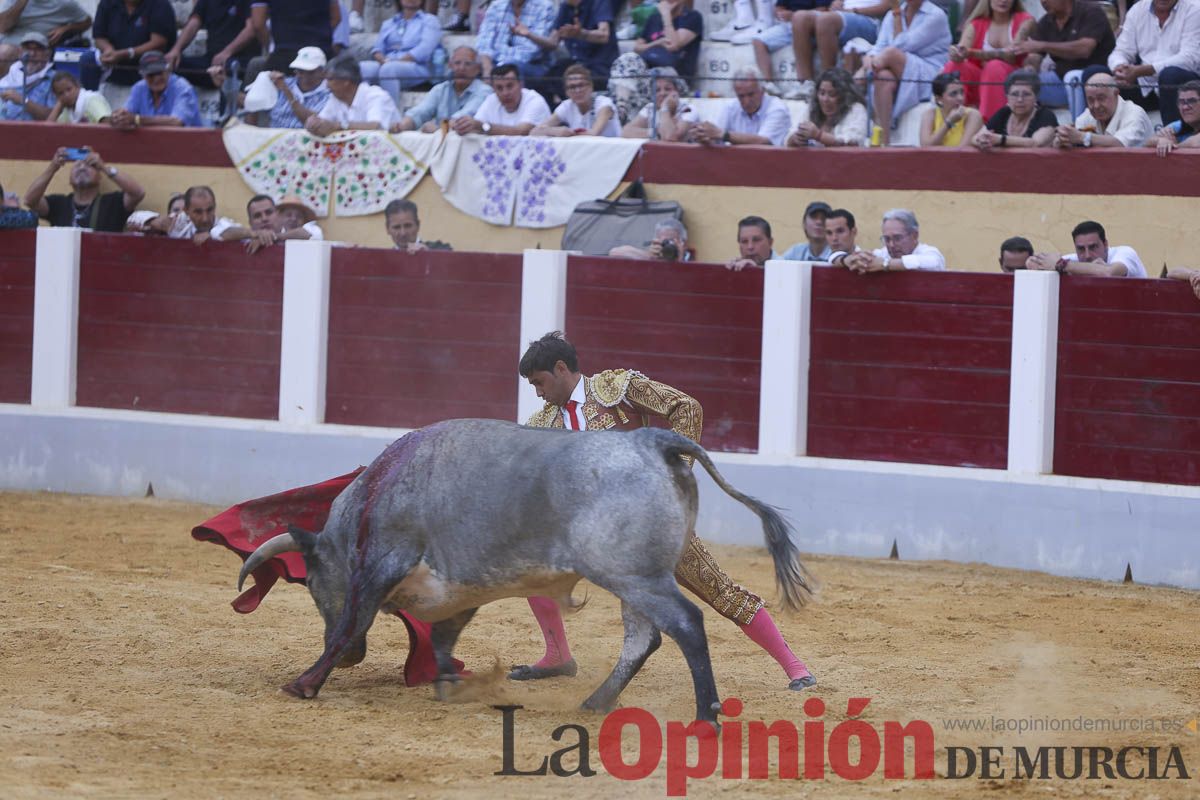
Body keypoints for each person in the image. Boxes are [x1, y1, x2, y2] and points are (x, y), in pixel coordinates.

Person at [512, 331, 818, 691]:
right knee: (532, 568)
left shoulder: (617, 389)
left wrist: (676, 474)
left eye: (539, 382)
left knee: (716, 589)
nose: (538, 392)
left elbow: (686, 408)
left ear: (561, 368)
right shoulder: (541, 423)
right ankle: (558, 655)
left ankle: (795, 667)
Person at [857, 0, 952, 146]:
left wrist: (896, 14)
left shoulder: (936, 16)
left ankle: (859, 80)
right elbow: (880, 46)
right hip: (896, 65)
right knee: (883, 77)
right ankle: (885, 140)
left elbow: (902, 45)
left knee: (891, 54)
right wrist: (870, 57)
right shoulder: (891, 15)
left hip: (929, 72)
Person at [1011, 0, 1115, 122]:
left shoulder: (1090, 12)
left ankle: (1081, 130)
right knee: (1018, 81)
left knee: (1072, 78)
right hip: (1059, 80)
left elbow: (1084, 49)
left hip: (1094, 79)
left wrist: (1043, 45)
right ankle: (1021, 131)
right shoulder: (1047, 21)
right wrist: (1030, 68)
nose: (1043, 2)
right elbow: (1034, 55)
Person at [1107, 0, 1200, 126]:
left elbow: (1190, 59)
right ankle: (1101, 137)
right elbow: (1121, 51)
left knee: (1170, 74)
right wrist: (1120, 68)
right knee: (1097, 75)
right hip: (1144, 85)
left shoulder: (1194, 9)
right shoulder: (1137, 10)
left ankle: (1172, 136)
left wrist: (1144, 70)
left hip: (1183, 85)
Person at [942, 0, 1035, 120]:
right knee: (953, 66)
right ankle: (951, 119)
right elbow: (962, 49)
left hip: (1012, 80)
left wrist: (970, 53)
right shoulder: (975, 23)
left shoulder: (1026, 20)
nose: (1003, 1)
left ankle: (991, 125)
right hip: (980, 81)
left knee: (994, 67)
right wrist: (956, 53)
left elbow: (1011, 55)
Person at [23, 146, 144, 232]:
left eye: (89, 165)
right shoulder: (59, 203)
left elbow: (138, 193)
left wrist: (104, 167)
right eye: (77, 165)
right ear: (69, 179)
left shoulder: (113, 202)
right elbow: (29, 200)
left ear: (100, 176)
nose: (82, 167)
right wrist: (53, 167)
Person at [785, 0, 886, 100]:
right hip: (843, 14)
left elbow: (888, 5)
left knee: (826, 20)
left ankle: (828, 84)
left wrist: (854, 10)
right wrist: (836, 4)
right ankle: (804, 84)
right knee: (800, 17)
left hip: (871, 21)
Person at [359, 0, 442, 107]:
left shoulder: (430, 20)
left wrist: (396, 61)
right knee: (363, 68)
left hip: (417, 66)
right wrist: (382, 59)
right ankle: (361, 114)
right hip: (387, 62)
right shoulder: (389, 23)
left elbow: (424, 49)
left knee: (389, 69)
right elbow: (377, 49)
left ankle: (391, 117)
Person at [390, 46, 492, 133]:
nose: (461, 68)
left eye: (468, 64)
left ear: (477, 69)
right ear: (450, 66)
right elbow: (420, 112)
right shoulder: (441, 89)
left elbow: (464, 117)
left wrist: (439, 129)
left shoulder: (484, 91)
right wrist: (401, 126)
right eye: (457, 63)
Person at [81, 0, 177, 89]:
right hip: (115, 60)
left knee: (153, 60)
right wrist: (108, 49)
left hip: (147, 60)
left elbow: (158, 43)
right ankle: (91, 100)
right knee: (88, 59)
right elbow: (99, 37)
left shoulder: (160, 4)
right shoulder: (107, 3)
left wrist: (127, 53)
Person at [746, 0, 832, 98]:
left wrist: (793, 15)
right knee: (758, 40)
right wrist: (781, 14)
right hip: (789, 25)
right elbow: (779, 7)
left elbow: (823, 9)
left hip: (812, 24)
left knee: (800, 20)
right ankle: (768, 85)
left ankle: (806, 84)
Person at [1054, 67, 1153, 148]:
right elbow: (1073, 136)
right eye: (1091, 100)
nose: (1096, 106)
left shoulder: (1134, 113)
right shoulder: (1088, 114)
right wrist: (1063, 138)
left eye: (1101, 98)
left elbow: (1120, 144)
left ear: (1116, 94)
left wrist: (1083, 137)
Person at [164, 0, 257, 87]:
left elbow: (251, 29)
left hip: (238, 60)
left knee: (226, 69)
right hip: (211, 60)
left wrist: (227, 52)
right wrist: (176, 49)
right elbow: (194, 22)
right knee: (172, 65)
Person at [692, 66, 792, 147]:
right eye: (741, 96)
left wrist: (723, 135)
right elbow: (717, 140)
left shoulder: (777, 108)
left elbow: (764, 142)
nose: (746, 101)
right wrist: (706, 138)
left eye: (751, 94)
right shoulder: (731, 107)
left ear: (763, 90)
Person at [305, 55, 401, 136]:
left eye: (330, 79)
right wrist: (314, 123)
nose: (326, 85)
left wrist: (339, 126)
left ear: (346, 81)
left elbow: (376, 126)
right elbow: (324, 121)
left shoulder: (376, 96)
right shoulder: (335, 97)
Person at [248, 0, 340, 84]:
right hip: (320, 53)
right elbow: (336, 17)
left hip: (284, 55)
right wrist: (320, 35)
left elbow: (258, 24)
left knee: (275, 99)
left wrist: (269, 47)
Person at [109, 50, 203, 128]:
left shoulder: (182, 88)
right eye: (151, 75)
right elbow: (127, 112)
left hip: (186, 145)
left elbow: (177, 122)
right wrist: (119, 117)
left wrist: (137, 119)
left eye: (159, 73)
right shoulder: (139, 88)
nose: (156, 79)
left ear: (168, 70)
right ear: (143, 76)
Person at [452, 61, 550, 135]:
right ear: (493, 89)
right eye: (499, 88)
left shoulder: (535, 100)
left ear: (521, 84)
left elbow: (521, 132)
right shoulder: (491, 99)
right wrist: (463, 126)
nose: (505, 93)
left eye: (510, 86)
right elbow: (476, 127)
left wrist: (482, 126)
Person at [1025, 220, 1147, 277]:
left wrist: (1062, 265)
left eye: (1093, 247)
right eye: (1081, 249)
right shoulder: (1073, 260)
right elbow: (1031, 263)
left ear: (1105, 244)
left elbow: (1109, 272)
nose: (1087, 255)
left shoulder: (1125, 252)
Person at [473, 0, 557, 82]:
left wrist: (528, 35)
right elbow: (484, 42)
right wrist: (487, 68)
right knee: (467, 66)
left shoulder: (544, 6)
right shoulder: (496, 6)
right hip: (496, 63)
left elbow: (532, 52)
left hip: (532, 65)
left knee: (511, 72)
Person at [971, 69, 1057, 149]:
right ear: (1007, 96)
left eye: (1026, 94)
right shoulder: (1004, 113)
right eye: (1014, 94)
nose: (1020, 99)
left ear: (1036, 97)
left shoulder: (1045, 115)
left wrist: (1001, 139)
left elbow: (1036, 143)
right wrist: (981, 140)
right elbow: (975, 138)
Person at [786, 67, 868, 147]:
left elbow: (852, 143)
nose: (825, 99)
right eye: (822, 93)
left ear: (845, 96)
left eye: (832, 94)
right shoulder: (812, 108)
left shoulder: (855, 109)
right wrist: (795, 139)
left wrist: (819, 135)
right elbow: (788, 139)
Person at [845, 207, 946, 272]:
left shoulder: (929, 252)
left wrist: (885, 264)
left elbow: (933, 261)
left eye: (898, 238)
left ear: (914, 236)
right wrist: (851, 259)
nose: (891, 245)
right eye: (887, 239)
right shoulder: (884, 254)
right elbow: (835, 257)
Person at [546, 0, 618, 86]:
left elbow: (604, 36)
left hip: (599, 67)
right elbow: (552, 42)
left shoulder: (599, 2)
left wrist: (581, 34)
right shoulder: (565, 7)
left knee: (572, 81)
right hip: (576, 64)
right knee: (546, 79)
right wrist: (529, 35)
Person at [534, 64, 619, 136]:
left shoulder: (604, 103)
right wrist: (555, 131)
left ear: (591, 87)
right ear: (566, 92)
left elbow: (593, 134)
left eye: (581, 85)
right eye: (572, 87)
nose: (577, 90)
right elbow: (534, 132)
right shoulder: (566, 106)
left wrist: (568, 134)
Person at [259, 47, 331, 128]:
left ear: (322, 72)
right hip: (273, 136)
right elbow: (253, 105)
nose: (303, 75)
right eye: (300, 70)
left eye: (310, 72)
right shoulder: (281, 82)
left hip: (305, 138)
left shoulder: (330, 93)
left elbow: (314, 123)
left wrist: (287, 92)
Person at [632, 0, 703, 81]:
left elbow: (673, 45)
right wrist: (657, 43)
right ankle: (622, 94)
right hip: (648, 69)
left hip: (675, 75)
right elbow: (637, 48)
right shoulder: (653, 18)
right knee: (626, 61)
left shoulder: (692, 17)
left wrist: (666, 16)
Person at [619, 67, 697, 140]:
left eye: (668, 89)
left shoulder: (688, 109)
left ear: (677, 91)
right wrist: (656, 132)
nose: (662, 93)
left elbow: (670, 137)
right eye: (657, 90)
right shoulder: (650, 107)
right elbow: (625, 132)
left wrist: (664, 108)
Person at [920, 71, 984, 146]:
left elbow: (962, 151)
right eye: (953, 94)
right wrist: (949, 123)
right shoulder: (930, 114)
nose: (960, 98)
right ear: (939, 99)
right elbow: (926, 147)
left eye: (962, 92)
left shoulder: (972, 115)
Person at [0, 30, 53, 120]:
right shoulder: (8, 74)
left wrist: (23, 101)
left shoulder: (54, 80)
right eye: (28, 49)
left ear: (47, 54)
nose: (32, 54)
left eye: (38, 49)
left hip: (33, 132)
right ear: (20, 52)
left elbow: (54, 117)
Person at [0, 0, 91, 48]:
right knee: (5, 52)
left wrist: (66, 28)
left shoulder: (64, 3)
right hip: (9, 45)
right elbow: (2, 27)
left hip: (38, 49)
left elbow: (87, 22)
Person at [1147, 79, 1200, 156]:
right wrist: (1160, 141)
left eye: (1192, 101)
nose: (1185, 107)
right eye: (1181, 102)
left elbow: (1196, 143)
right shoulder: (1178, 125)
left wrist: (1174, 146)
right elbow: (1148, 142)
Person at [44, 69, 112, 123]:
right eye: (61, 93)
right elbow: (48, 130)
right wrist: (59, 105)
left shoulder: (91, 100)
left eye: (69, 89)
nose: (66, 95)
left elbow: (107, 123)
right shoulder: (66, 109)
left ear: (77, 85)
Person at [384, 198, 451, 252]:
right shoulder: (383, 261)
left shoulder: (441, 250)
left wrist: (429, 254)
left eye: (408, 226)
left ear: (418, 225)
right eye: (396, 227)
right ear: (387, 229)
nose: (403, 233)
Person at [608, 217, 690, 260]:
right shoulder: (654, 256)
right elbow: (614, 252)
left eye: (671, 241)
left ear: (684, 243)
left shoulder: (690, 260)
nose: (667, 246)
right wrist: (649, 256)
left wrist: (680, 259)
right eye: (664, 242)